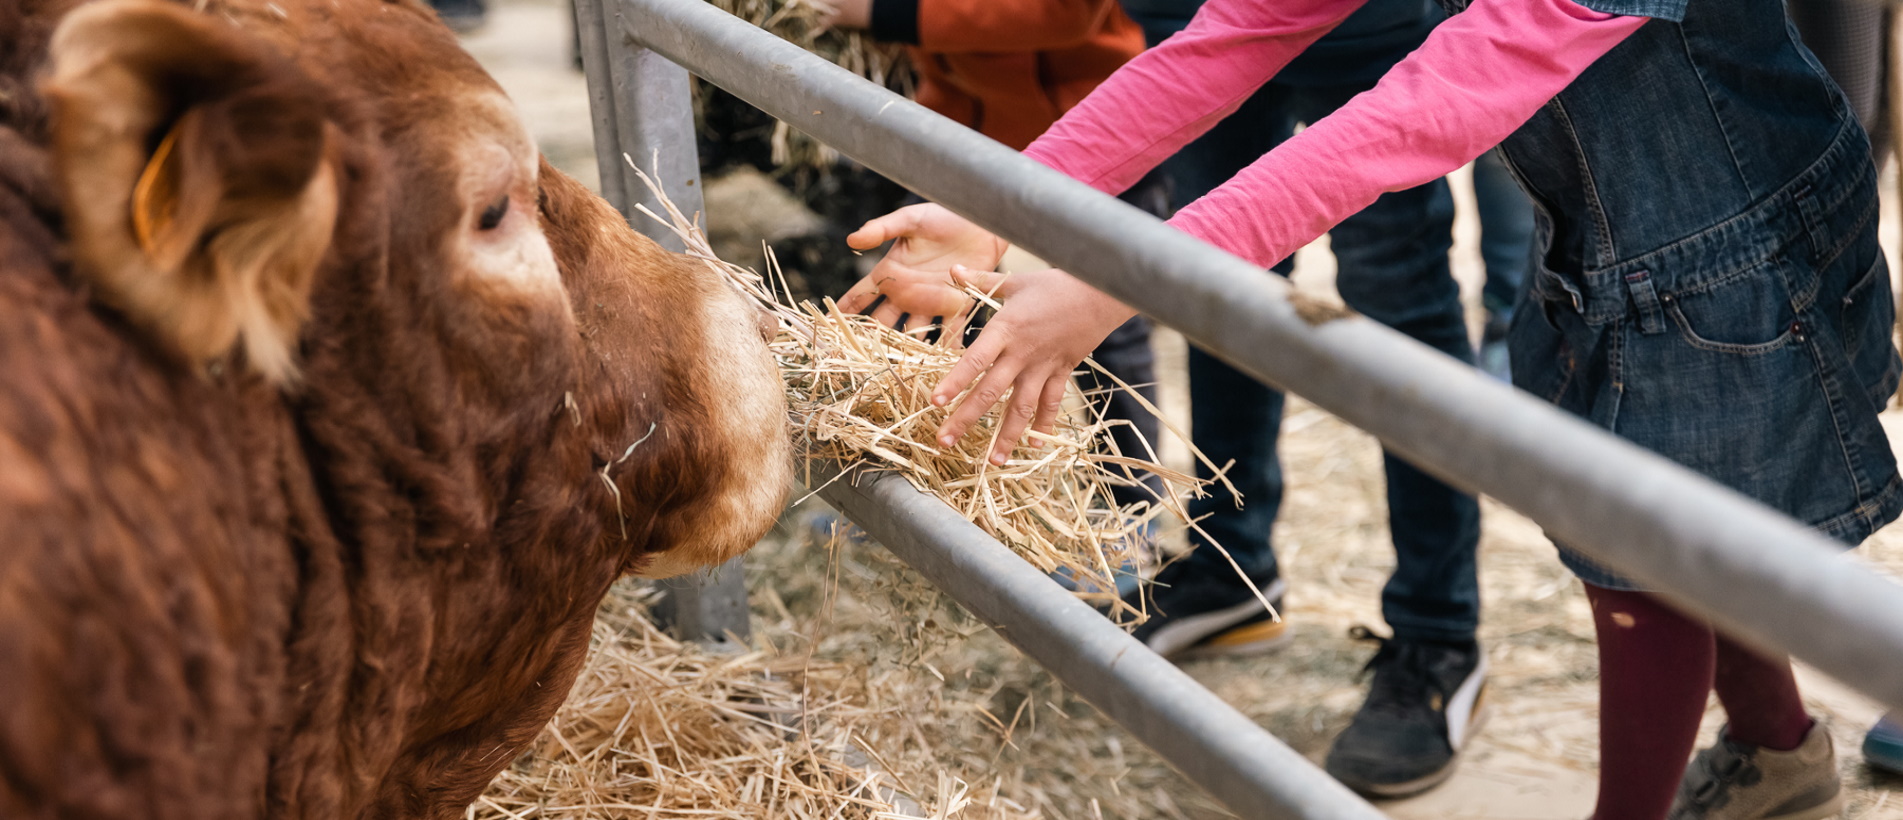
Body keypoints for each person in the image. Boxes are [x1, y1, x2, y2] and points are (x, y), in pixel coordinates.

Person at [836, 0, 1900, 817]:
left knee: (1641, 562)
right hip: (1598, 233)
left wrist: (1118, 276)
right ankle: (1776, 749)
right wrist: (1005, 205)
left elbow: (1431, 102)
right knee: (1666, 513)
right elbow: (1248, 25)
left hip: (1730, 248)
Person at [1112, 0, 1486, 799]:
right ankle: (1229, 567)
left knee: (1401, 308)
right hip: (1186, 13)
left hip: (1359, 19)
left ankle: (1437, 630)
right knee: (1216, 290)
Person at [821, 0, 1168, 585]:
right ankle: (945, 481)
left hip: (1098, 122)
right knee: (957, 302)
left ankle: (1129, 521)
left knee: (1107, 323)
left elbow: (1064, 15)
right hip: (971, 125)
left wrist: (892, 15)